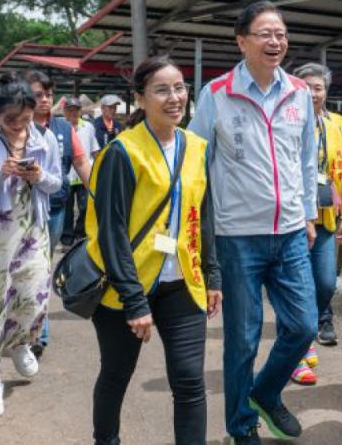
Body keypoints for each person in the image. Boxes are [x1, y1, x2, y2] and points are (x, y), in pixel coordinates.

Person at [189, 0, 318, 445]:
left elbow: (306, 159)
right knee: (242, 340)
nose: (275, 41)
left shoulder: (300, 92)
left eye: (281, 33)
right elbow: (195, 162)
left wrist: (308, 216)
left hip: (289, 235)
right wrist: (195, 237)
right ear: (241, 40)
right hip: (237, 237)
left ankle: (264, 392)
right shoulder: (217, 93)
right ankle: (241, 425)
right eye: (265, 33)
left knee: (304, 325)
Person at [87, 56, 221, 445]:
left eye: (179, 88)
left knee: (190, 382)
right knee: (115, 375)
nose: (174, 97)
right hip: (127, 286)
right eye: (162, 90)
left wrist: (213, 274)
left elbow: (204, 213)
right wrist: (134, 301)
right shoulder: (121, 152)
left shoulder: (196, 147)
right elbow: (110, 232)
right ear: (140, 99)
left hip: (183, 282)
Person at [0, 74, 62, 419]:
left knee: (33, 295)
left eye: (25, 119)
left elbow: (56, 183)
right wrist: (1, 175)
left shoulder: (44, 139)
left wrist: (38, 177)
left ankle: (20, 343)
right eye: (10, 120)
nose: (19, 127)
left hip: (32, 228)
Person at [288, 63, 342, 385]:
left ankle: (307, 333)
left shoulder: (336, 124)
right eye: (307, 87)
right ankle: (298, 353)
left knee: (325, 284)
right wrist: (302, 216)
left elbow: (338, 172)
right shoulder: (286, 123)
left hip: (326, 218)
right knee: (299, 288)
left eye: (319, 87)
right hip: (293, 221)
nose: (313, 93)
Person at [23, 70, 93, 355]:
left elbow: (81, 163)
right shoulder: (13, 126)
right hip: (17, 212)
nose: (44, 100)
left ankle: (37, 332)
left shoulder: (64, 129)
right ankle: (21, 327)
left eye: (48, 95)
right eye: (38, 94)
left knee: (41, 266)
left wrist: (99, 197)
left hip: (53, 209)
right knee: (20, 269)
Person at [62, 97, 100, 246]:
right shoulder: (60, 127)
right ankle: (66, 238)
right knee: (67, 209)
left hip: (84, 174)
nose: (73, 112)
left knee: (85, 207)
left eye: (76, 109)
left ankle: (79, 233)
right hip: (66, 175)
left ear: (80, 111)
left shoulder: (88, 127)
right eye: (70, 109)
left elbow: (95, 149)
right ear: (65, 111)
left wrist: (99, 167)